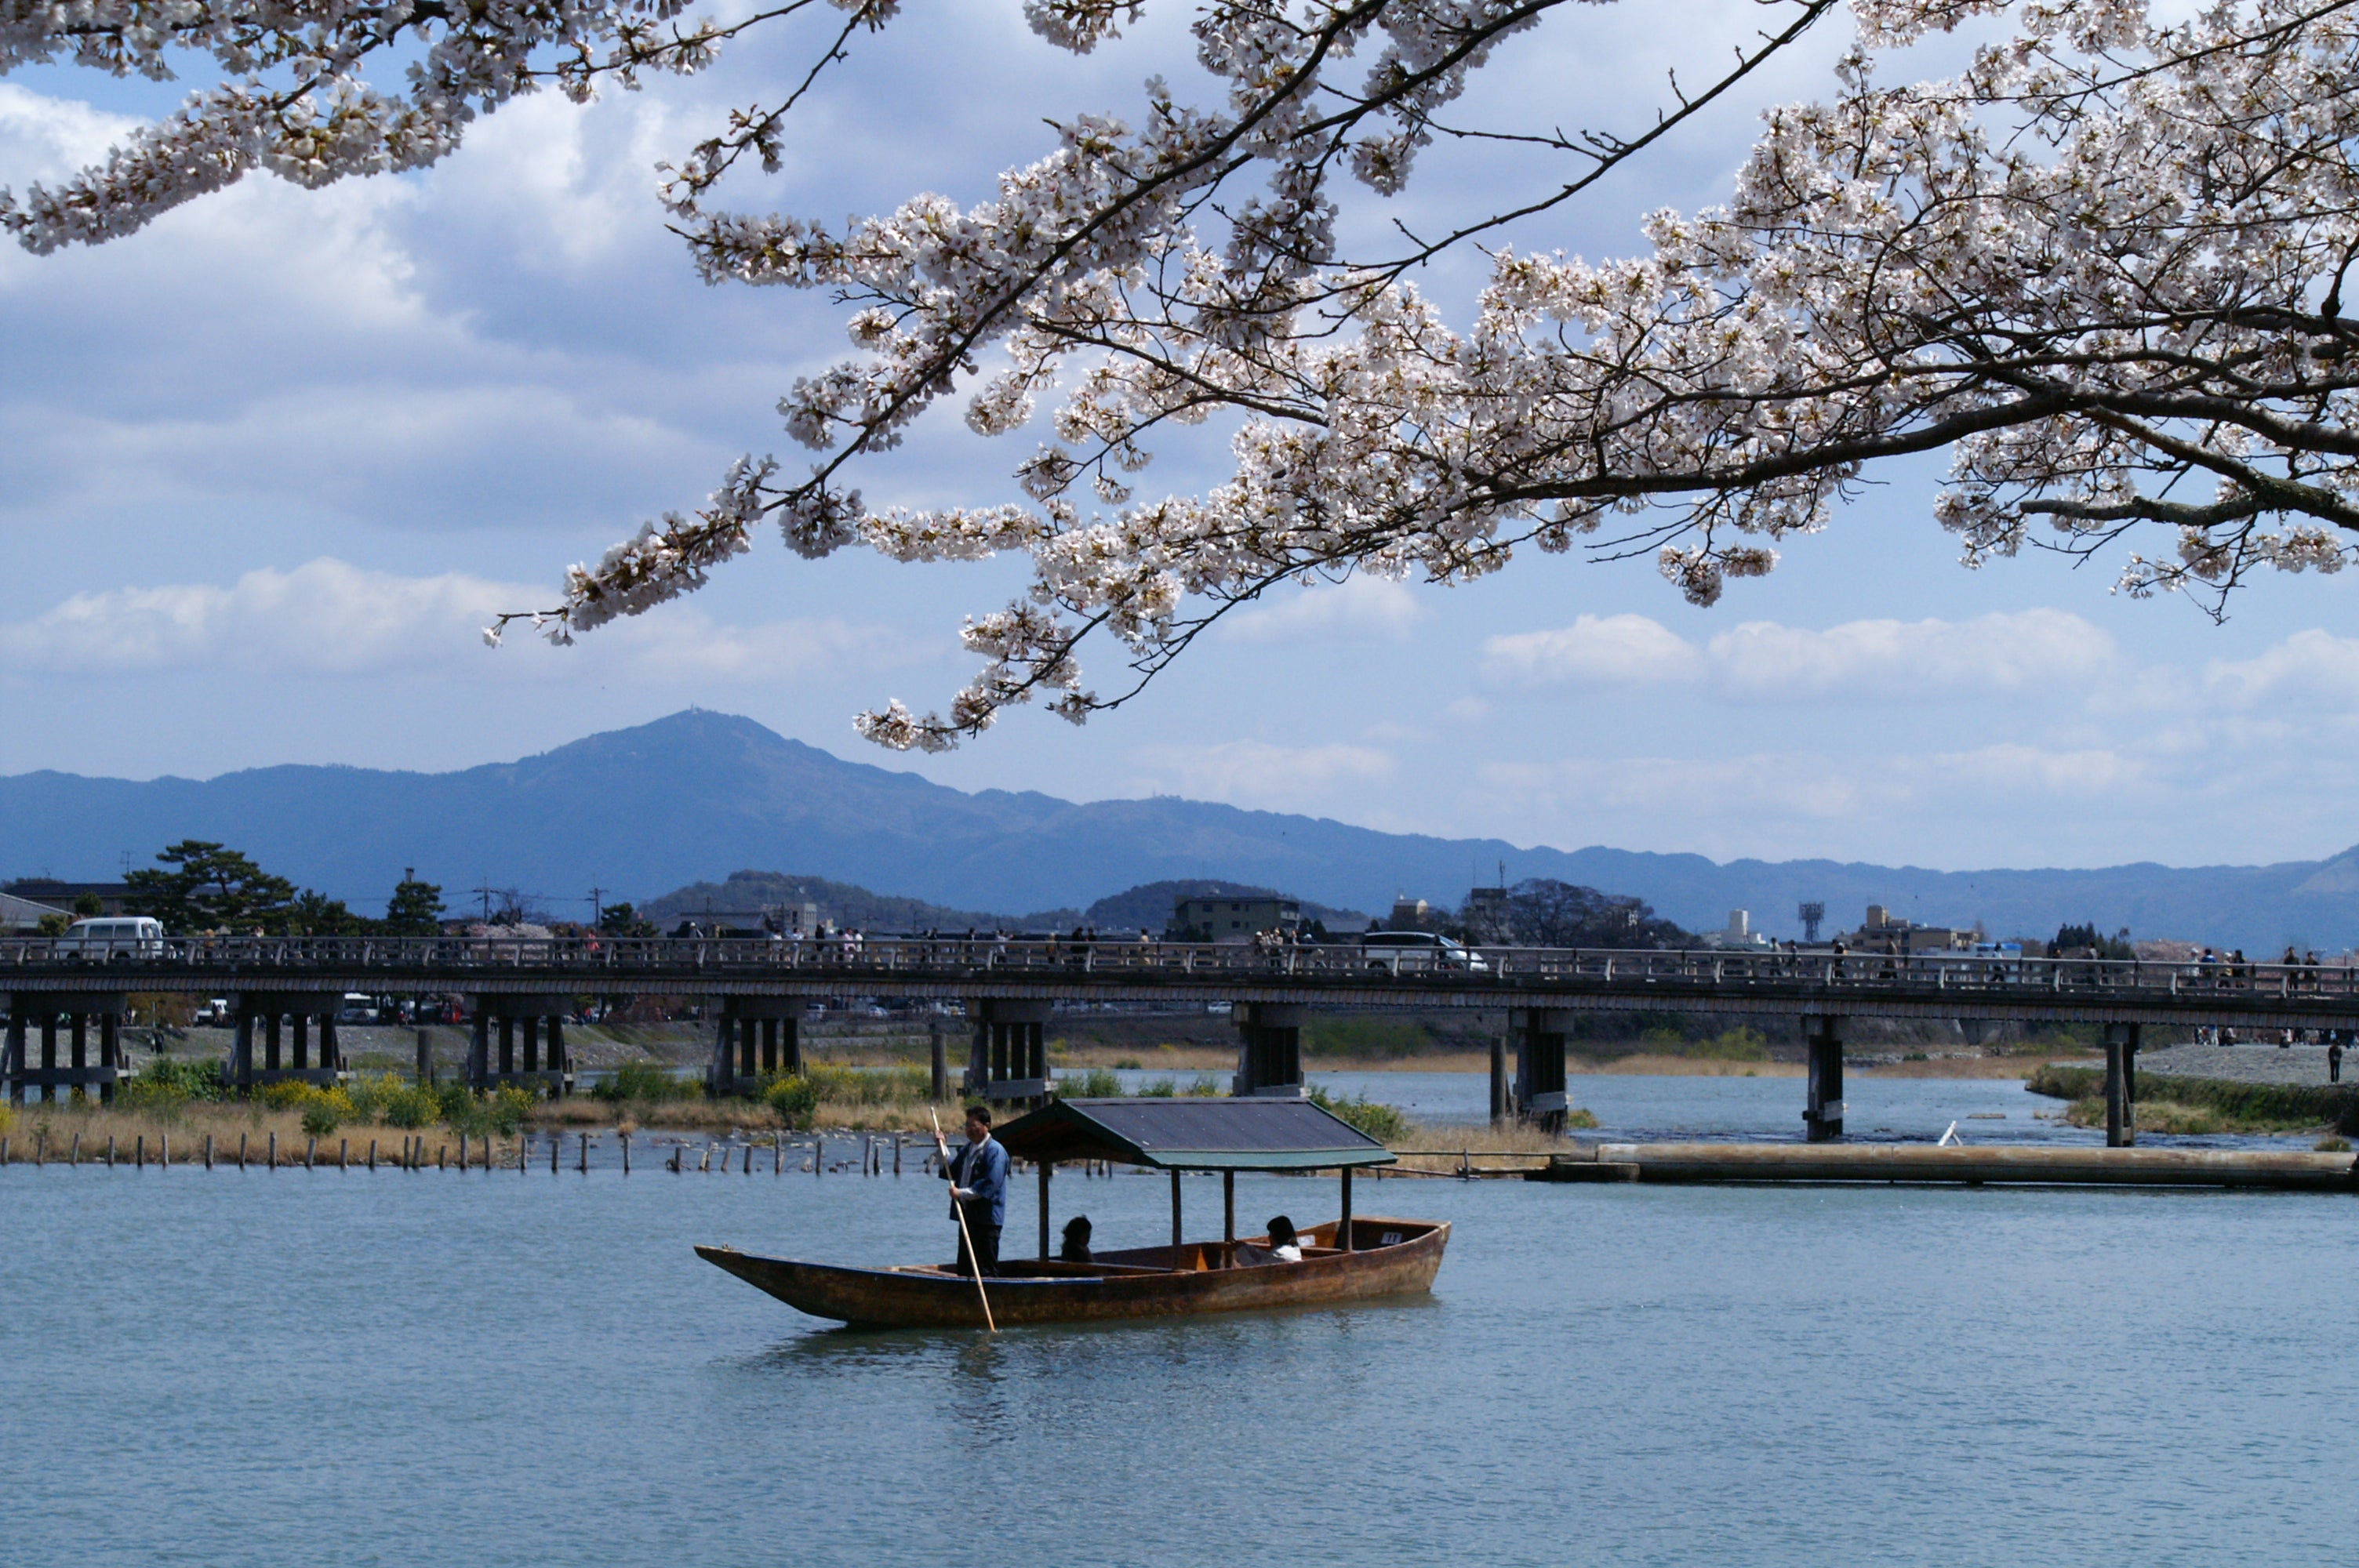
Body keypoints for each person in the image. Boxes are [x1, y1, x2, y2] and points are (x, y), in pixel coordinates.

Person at [934, 1105, 1009, 1277]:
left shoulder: (995, 1151)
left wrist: (961, 1194)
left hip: (987, 1221)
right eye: (967, 1126)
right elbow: (951, 1171)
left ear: (987, 1126)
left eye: (974, 1126)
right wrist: (942, 1147)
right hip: (968, 1218)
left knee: (985, 1269)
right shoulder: (968, 1149)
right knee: (966, 1268)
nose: (969, 1130)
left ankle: (991, 1299)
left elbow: (990, 1184)